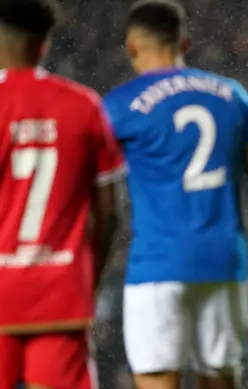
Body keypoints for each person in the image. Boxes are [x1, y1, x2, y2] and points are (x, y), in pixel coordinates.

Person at [103, 1, 248, 389]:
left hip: (158, 267)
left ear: (132, 47)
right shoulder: (232, 95)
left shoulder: (119, 105)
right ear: (184, 42)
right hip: (224, 264)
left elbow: (97, 190)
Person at [0, 0, 124, 388]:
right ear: (44, 44)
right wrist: (88, 278)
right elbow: (108, 214)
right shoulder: (83, 105)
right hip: (60, 294)